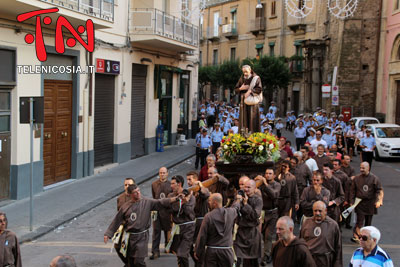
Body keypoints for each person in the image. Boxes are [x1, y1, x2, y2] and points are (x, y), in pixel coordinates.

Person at [104, 184, 178, 267]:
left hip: (142, 237)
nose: (138, 193)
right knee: (131, 261)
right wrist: (108, 234)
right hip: (130, 237)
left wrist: (176, 199)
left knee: (139, 261)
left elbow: (161, 202)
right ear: (130, 194)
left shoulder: (147, 202)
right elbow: (117, 220)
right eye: (135, 192)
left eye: (138, 191)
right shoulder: (125, 207)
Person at [194, 193, 240, 267]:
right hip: (227, 252)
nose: (208, 203)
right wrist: (238, 199)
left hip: (212, 253)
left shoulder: (208, 216)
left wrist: (198, 251)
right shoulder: (230, 213)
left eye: (209, 201)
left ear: (214, 203)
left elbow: (202, 236)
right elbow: (236, 208)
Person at [300, 201, 342, 267]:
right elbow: (301, 243)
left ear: (325, 211)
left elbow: (338, 247)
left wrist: (337, 264)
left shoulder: (333, 225)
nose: (317, 213)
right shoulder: (306, 223)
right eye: (315, 211)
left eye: (320, 211)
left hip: (325, 261)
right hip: (309, 260)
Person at [350, 162, 383, 243]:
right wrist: (351, 202)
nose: (361, 169)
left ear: (368, 168)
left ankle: (367, 236)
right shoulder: (357, 178)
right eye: (360, 168)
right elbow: (352, 191)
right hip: (360, 203)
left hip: (370, 203)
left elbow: (379, 190)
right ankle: (357, 236)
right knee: (359, 221)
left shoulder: (374, 178)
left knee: (368, 222)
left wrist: (379, 200)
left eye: (363, 168)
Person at [255, 168, 281, 266]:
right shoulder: (260, 184)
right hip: (262, 212)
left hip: (272, 213)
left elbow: (274, 195)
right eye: (266, 173)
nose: (268, 175)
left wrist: (265, 184)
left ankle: (266, 256)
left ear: (274, 175)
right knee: (259, 235)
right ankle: (257, 255)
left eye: (270, 173)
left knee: (268, 236)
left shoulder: (277, 185)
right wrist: (256, 181)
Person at [234, 179, 263, 267]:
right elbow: (233, 211)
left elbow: (255, 215)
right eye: (245, 187)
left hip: (252, 233)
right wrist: (238, 201)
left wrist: (246, 204)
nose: (246, 189)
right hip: (241, 232)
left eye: (248, 187)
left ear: (254, 189)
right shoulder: (239, 197)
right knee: (237, 258)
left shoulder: (258, 200)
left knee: (253, 261)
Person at [187, 171, 210, 267]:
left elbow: (206, 194)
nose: (188, 182)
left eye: (190, 179)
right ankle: (198, 262)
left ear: (196, 180)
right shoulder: (190, 191)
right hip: (192, 223)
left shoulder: (202, 190)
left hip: (201, 223)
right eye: (187, 179)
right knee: (189, 246)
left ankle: (200, 263)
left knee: (199, 246)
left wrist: (200, 186)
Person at [150, 167, 172, 260]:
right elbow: (154, 196)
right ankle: (155, 251)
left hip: (167, 211)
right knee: (156, 231)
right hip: (157, 211)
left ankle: (168, 246)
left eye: (164, 173)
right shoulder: (154, 184)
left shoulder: (171, 184)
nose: (162, 174)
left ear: (167, 173)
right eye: (160, 173)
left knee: (168, 229)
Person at [234, 65, 262, 133]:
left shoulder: (256, 78)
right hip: (244, 102)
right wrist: (241, 88)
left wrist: (250, 91)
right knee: (244, 119)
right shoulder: (242, 78)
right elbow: (236, 90)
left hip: (253, 103)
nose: (245, 74)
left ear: (250, 70)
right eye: (244, 72)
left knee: (253, 119)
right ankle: (244, 135)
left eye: (246, 72)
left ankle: (254, 135)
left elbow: (259, 89)